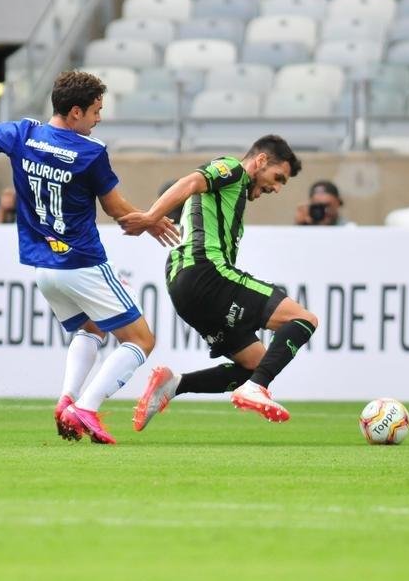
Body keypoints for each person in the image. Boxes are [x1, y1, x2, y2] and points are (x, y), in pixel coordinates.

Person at [0, 62, 178, 445]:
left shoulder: (20, 133)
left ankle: (67, 399)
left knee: (88, 329)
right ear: (76, 112)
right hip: (82, 263)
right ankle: (86, 408)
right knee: (141, 340)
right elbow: (116, 209)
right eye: (96, 110)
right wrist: (151, 219)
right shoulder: (90, 152)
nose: (99, 118)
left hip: (43, 266)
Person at [119, 135, 319, 430]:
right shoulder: (232, 169)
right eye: (278, 178)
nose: (276, 188)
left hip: (183, 287)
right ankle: (255, 389)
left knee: (255, 364)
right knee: (304, 319)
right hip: (206, 272)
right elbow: (189, 183)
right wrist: (151, 217)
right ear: (261, 161)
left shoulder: (231, 196)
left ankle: (173, 386)